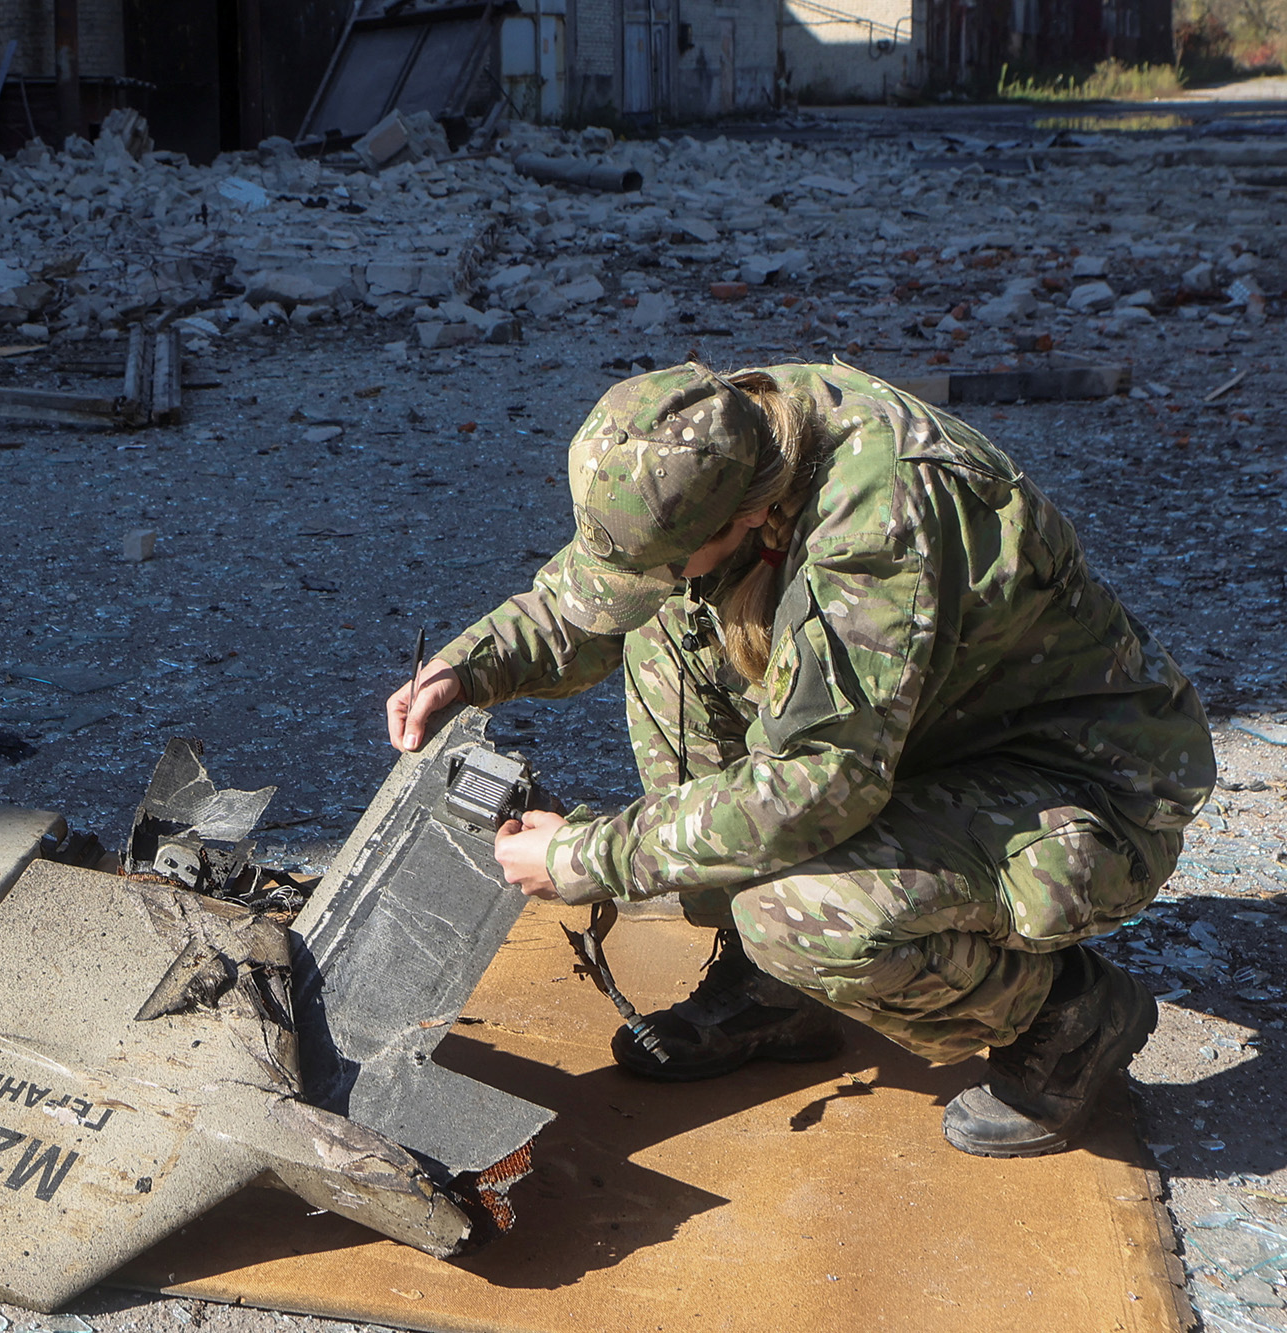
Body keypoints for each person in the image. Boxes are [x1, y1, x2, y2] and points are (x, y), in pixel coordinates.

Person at [386, 362, 1213, 1158]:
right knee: (668, 627)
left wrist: (586, 855)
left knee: (796, 910)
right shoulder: (720, 435)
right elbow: (602, 589)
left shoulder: (877, 524)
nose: (660, 574)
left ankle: (1065, 1017)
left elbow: (818, 785)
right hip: (928, 741)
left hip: (1083, 792)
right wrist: (469, 666)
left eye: (678, 555)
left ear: (745, 518)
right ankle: (772, 989)